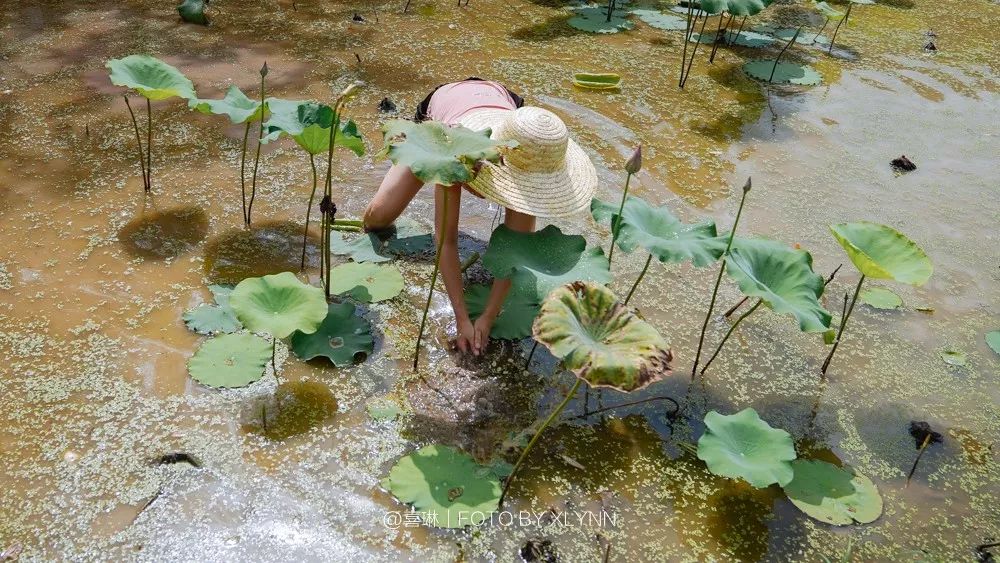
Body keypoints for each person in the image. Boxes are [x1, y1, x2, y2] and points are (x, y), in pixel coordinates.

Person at [363, 78, 597, 355]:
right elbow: (445, 240)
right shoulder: (456, 152)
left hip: (505, 107)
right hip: (447, 116)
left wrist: (488, 316)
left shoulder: (532, 162)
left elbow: (514, 250)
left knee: (519, 227)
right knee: (376, 219)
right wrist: (461, 317)